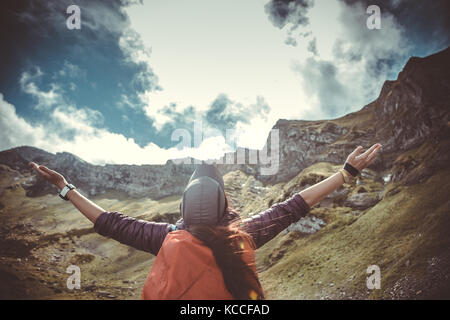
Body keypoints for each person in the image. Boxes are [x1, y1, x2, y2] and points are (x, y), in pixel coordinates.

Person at [29, 143, 382, 300]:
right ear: (222, 204)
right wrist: (345, 173)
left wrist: (66, 188)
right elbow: (293, 207)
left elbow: (109, 222)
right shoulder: (242, 235)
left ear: (184, 205)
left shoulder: (165, 237)